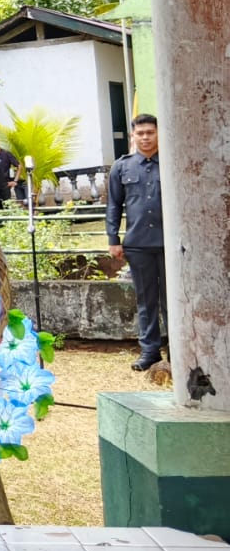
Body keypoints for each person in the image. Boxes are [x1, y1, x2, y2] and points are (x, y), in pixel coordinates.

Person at [106, 114, 166, 371]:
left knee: (173, 300)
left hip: (169, 245)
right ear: (133, 136)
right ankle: (150, 352)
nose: (145, 138)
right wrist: (113, 239)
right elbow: (114, 205)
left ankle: (178, 351)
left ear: (158, 133)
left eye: (150, 132)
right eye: (140, 133)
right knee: (146, 300)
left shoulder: (172, 162)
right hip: (138, 244)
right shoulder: (122, 167)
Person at [0, 133, 21, 203]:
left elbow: (19, 166)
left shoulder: (6, 154)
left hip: (5, 186)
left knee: (6, 205)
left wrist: (15, 181)